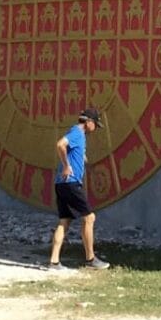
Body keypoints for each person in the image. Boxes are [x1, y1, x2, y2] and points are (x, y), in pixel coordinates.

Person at [47, 106, 109, 270]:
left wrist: (82, 157)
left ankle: (54, 261)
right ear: (89, 122)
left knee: (64, 221)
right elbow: (60, 145)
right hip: (71, 182)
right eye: (95, 124)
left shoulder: (75, 133)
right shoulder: (77, 133)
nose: (95, 128)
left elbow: (70, 148)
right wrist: (67, 165)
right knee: (89, 218)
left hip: (60, 184)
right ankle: (91, 259)